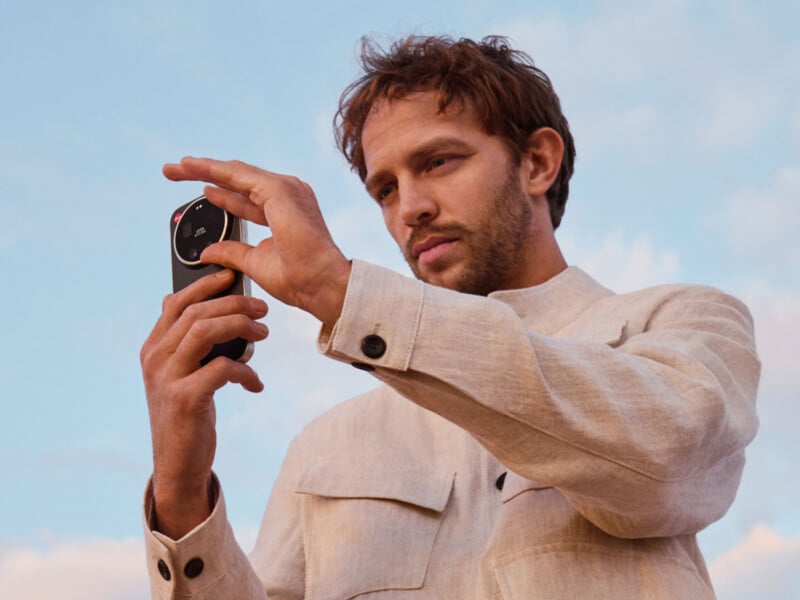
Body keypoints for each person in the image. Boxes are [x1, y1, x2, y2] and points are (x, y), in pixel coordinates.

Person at [140, 35, 760, 599]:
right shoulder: (324, 448)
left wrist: (342, 293)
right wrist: (180, 497)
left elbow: (664, 468)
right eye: (384, 189)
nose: (410, 208)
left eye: (438, 161)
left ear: (537, 163)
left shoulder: (680, 323)